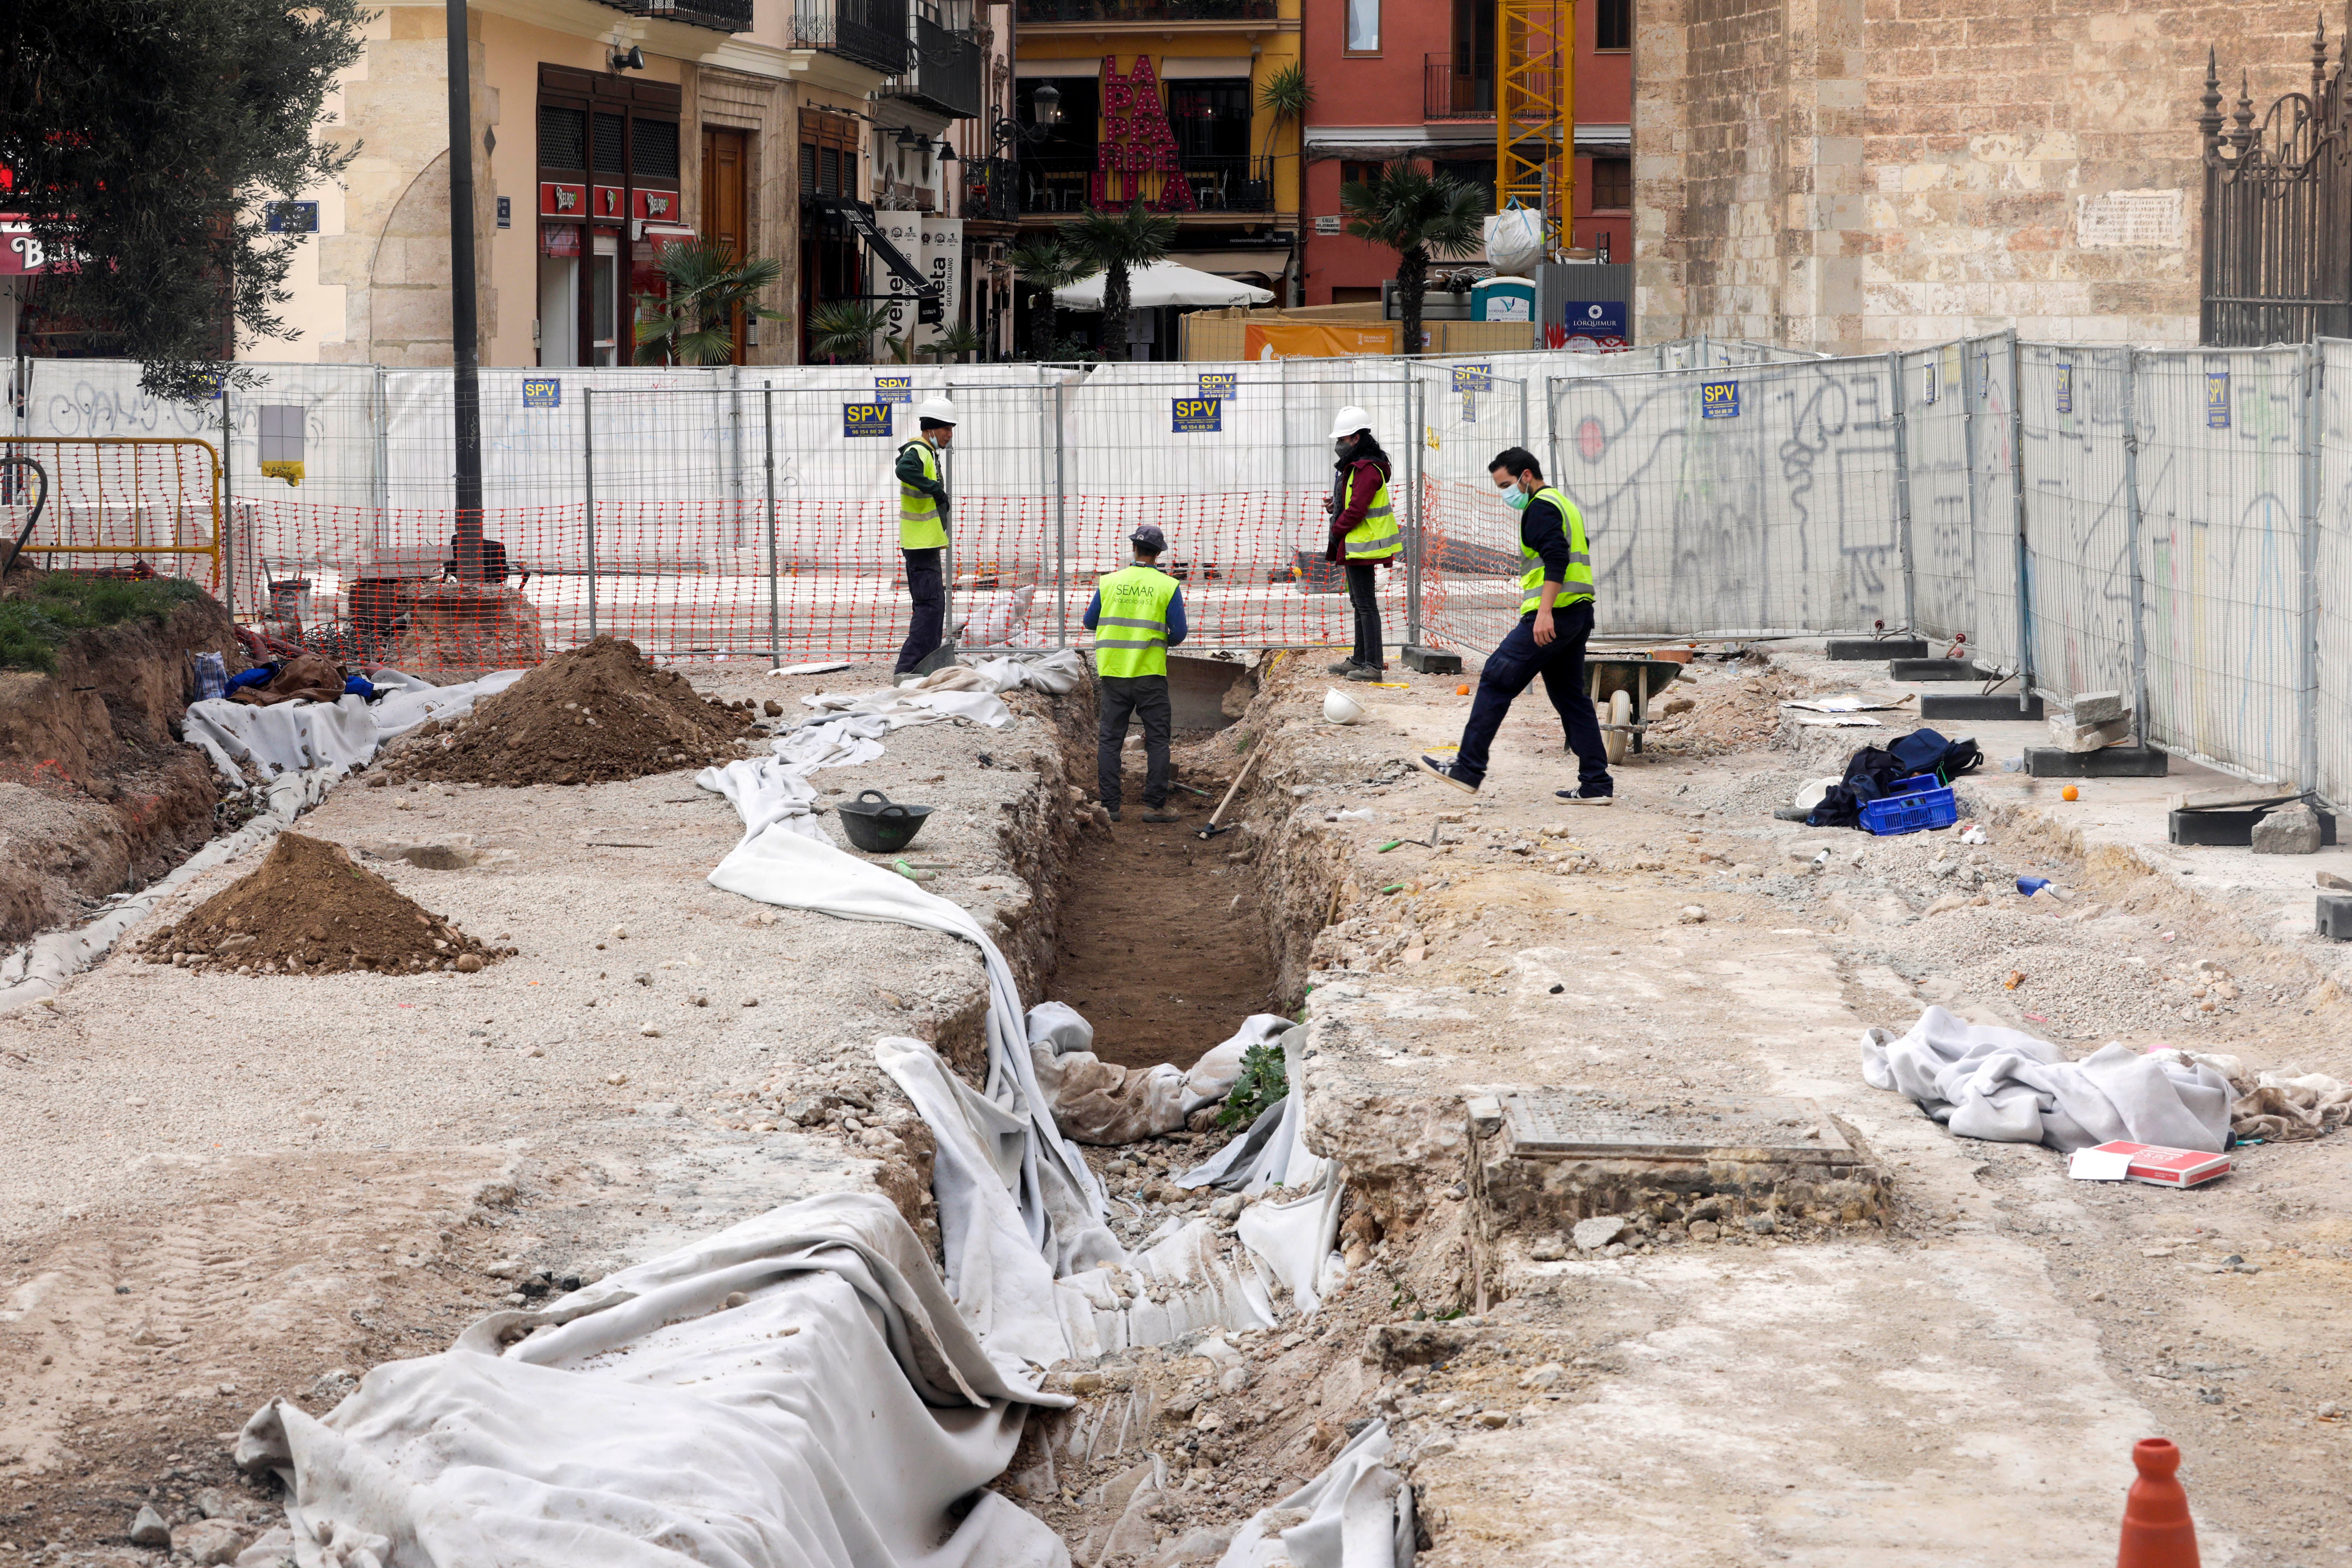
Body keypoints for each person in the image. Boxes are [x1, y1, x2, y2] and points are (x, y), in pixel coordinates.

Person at [1419, 447, 1614, 804]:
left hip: (1553, 615)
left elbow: (1557, 558)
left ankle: (1468, 767)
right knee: (1571, 698)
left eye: (1507, 484)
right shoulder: (1561, 503)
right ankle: (1596, 784)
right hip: (1578, 612)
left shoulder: (1540, 507)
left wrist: (1544, 612)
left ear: (1527, 476)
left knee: (1496, 677)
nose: (1505, 494)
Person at [1083, 524, 1189, 824]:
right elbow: (1179, 633)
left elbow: (1091, 622)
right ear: (1159, 554)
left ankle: (1110, 807)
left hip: (1114, 671)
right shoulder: (1167, 586)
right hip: (1150, 673)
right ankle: (1156, 807)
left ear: (1134, 550)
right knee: (1157, 740)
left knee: (1110, 739)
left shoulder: (1110, 582)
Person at [1322, 405, 1399, 682]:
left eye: (1342, 440)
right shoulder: (1358, 467)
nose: (1339, 446)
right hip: (1355, 544)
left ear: (1356, 438)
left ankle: (1373, 666)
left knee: (1366, 604)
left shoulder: (1367, 469)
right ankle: (1360, 658)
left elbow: (1357, 511)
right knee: (1359, 602)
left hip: (1362, 545)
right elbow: (1352, 503)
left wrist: (1339, 529)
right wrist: (1336, 507)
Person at [893, 395, 958, 680]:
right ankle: (907, 670)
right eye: (946, 428)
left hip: (925, 544)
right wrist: (935, 489)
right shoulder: (919, 449)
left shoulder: (928, 452)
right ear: (932, 427)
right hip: (920, 545)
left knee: (934, 606)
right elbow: (903, 469)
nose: (949, 434)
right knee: (930, 608)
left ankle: (926, 667)